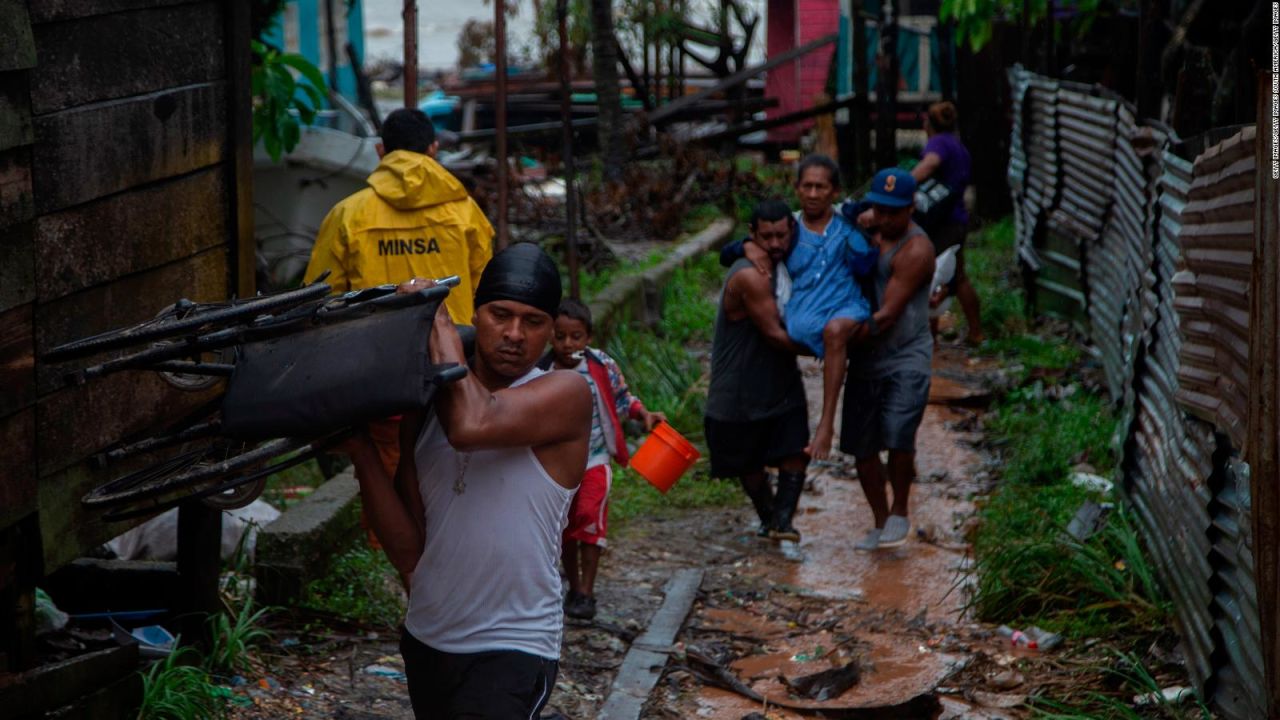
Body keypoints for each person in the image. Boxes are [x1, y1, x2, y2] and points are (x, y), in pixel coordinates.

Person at [342, 243, 593, 719]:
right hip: (428, 638)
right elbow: (409, 551)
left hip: (514, 643)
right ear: (476, 314)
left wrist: (435, 317)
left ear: (552, 331)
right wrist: (360, 450)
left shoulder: (566, 395)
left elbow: (472, 426)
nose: (515, 334)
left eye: (534, 322)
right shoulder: (429, 406)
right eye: (500, 314)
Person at [303, 108, 495, 542]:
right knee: (457, 477)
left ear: (380, 151)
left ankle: (410, 581)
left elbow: (321, 302)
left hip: (379, 379)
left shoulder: (347, 214)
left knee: (390, 483)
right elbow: (489, 297)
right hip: (454, 370)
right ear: (433, 149)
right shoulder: (466, 213)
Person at [725, 155, 878, 460]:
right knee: (817, 335)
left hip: (846, 304)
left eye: (820, 187)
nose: (812, 194)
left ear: (834, 191)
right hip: (805, 313)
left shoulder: (848, 223)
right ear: (796, 189)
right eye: (806, 186)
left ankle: (826, 424)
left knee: (835, 332)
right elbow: (737, 248)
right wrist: (746, 245)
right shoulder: (788, 228)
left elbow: (870, 259)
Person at [537, 298, 666, 620]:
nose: (568, 344)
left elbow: (623, 397)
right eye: (560, 337)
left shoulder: (600, 366)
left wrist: (643, 415)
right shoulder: (541, 371)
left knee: (591, 519)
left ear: (588, 337)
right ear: (550, 336)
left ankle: (586, 592)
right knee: (564, 527)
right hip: (557, 465)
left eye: (576, 337)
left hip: (595, 458)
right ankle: (573, 585)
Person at [706, 200, 815, 541]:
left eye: (781, 235)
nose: (775, 244)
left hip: (778, 378)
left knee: (795, 449)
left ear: (792, 231)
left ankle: (782, 522)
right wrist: (832, 345)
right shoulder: (752, 275)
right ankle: (770, 517)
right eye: (766, 237)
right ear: (752, 235)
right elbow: (776, 335)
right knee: (748, 463)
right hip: (739, 387)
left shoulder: (788, 258)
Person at [841, 169, 937, 552]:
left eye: (894, 212)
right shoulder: (870, 225)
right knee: (862, 448)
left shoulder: (916, 250)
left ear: (911, 209)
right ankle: (880, 522)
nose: (885, 218)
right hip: (866, 357)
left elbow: (886, 315)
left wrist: (831, 341)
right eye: (880, 209)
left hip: (905, 353)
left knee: (898, 435)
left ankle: (899, 508)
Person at [912, 101, 981, 344]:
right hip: (959, 217)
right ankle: (975, 332)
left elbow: (930, 163)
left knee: (929, 273)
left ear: (927, 123)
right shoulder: (959, 147)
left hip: (940, 221)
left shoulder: (938, 143)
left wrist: (905, 183)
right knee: (958, 276)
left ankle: (930, 335)